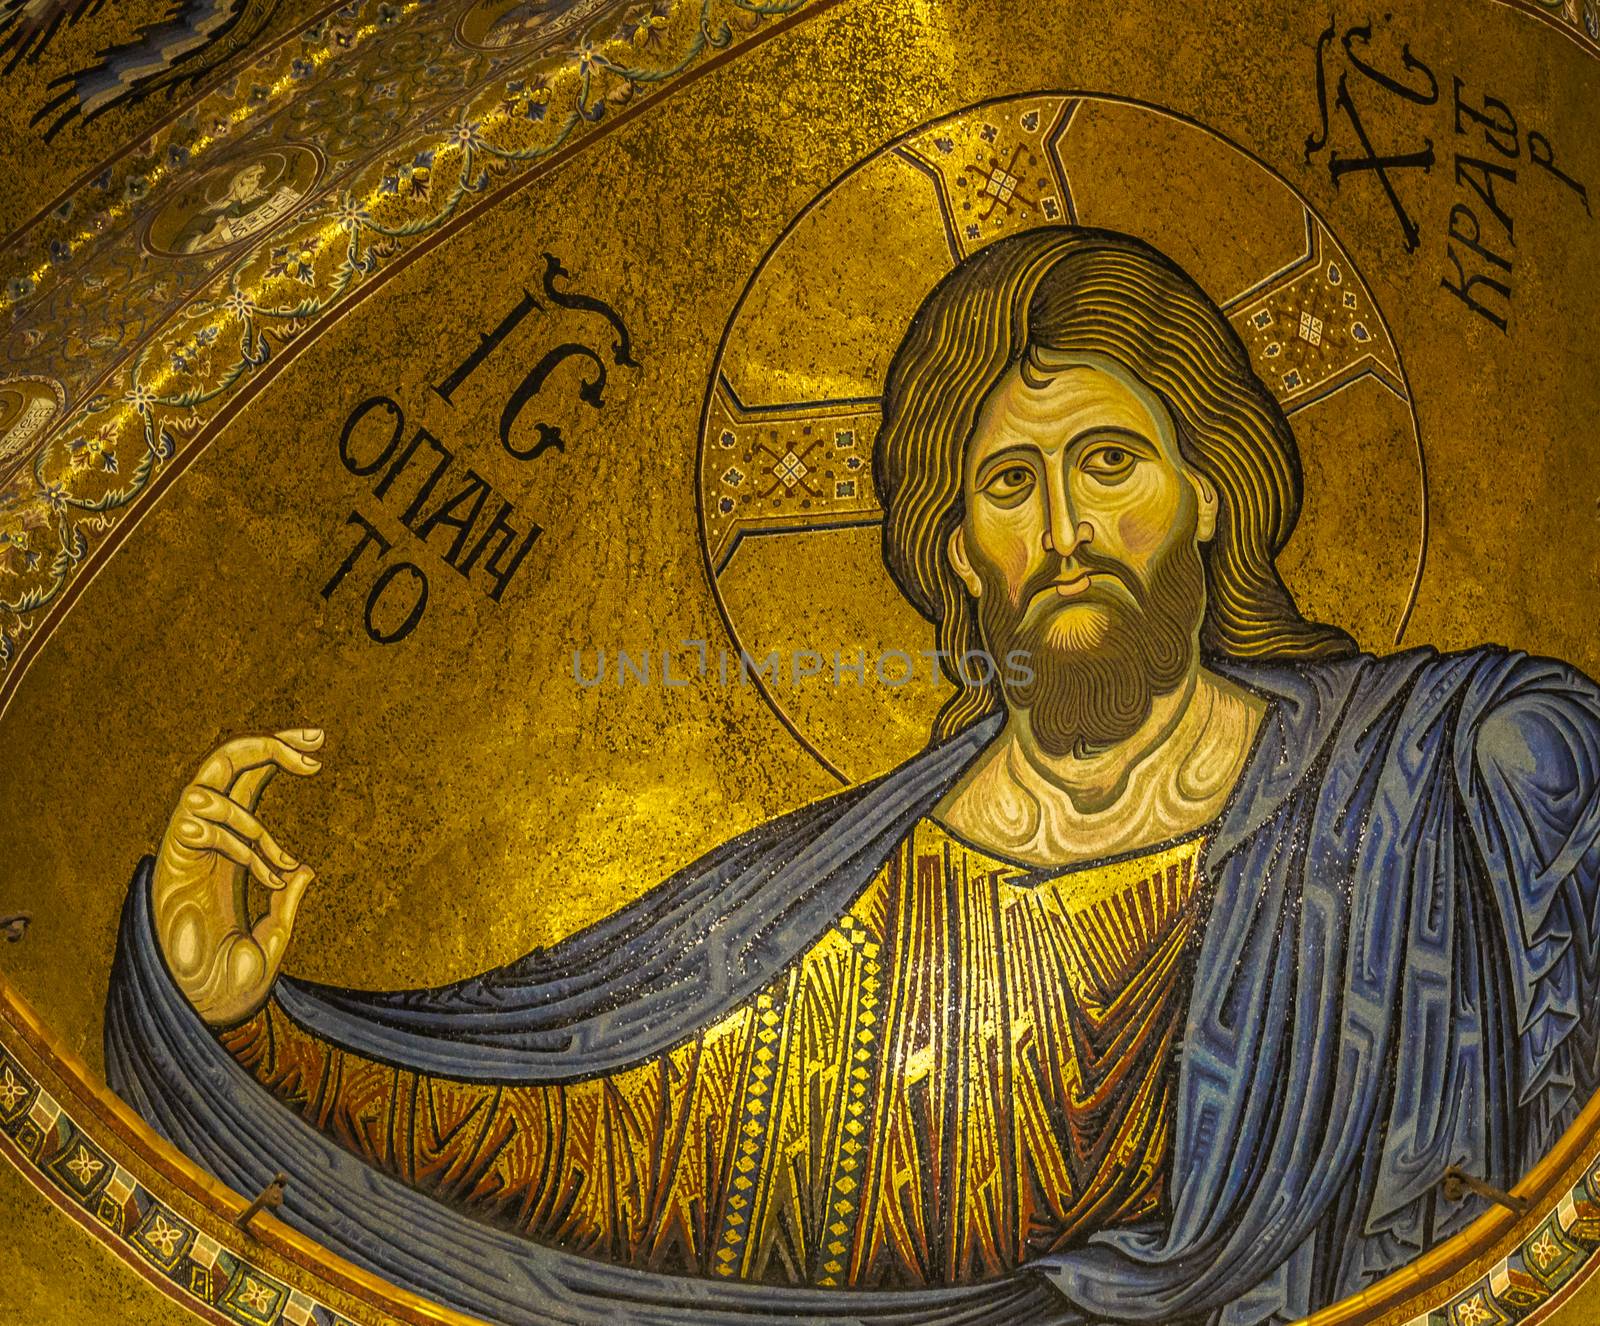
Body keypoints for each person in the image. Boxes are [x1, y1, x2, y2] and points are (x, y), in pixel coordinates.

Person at [106, 226, 1600, 1326]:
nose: (1068, 524)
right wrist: (247, 1024)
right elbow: (583, 1144)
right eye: (1011, 484)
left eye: (1111, 461)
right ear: (960, 555)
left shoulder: (1437, 779)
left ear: (1207, 488)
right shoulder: (836, 905)